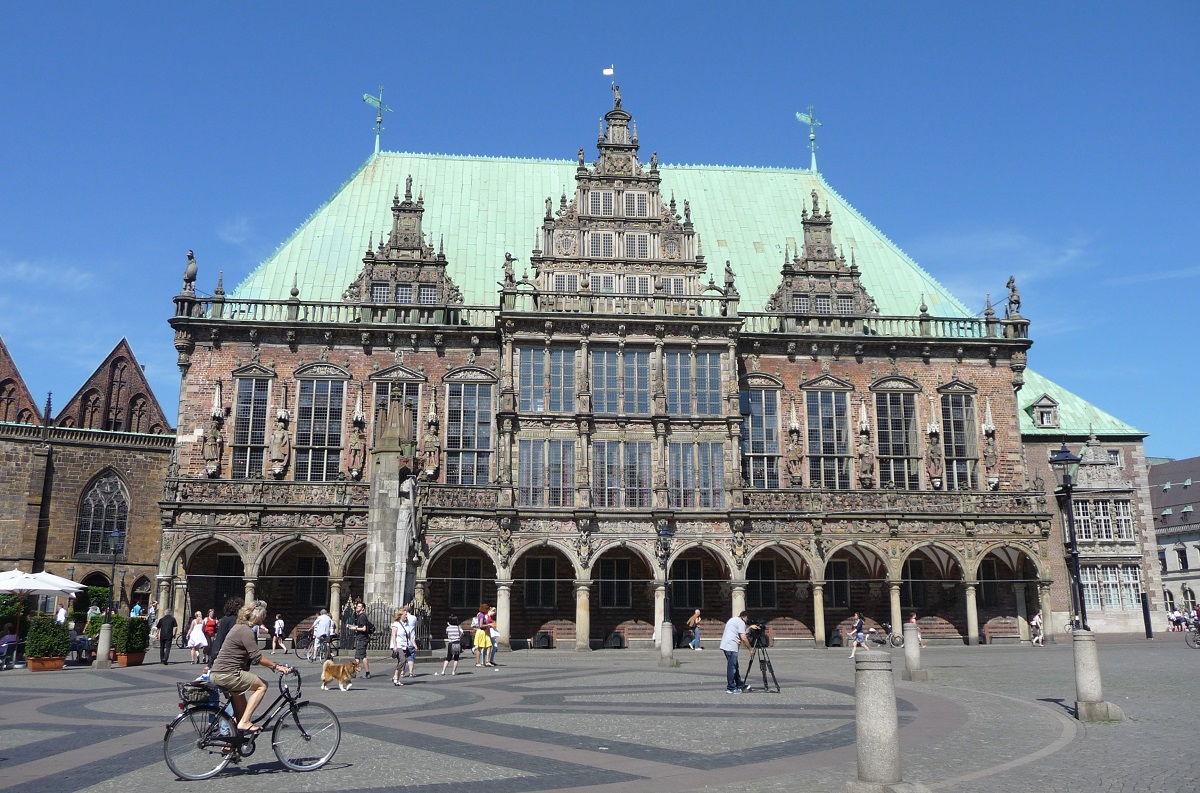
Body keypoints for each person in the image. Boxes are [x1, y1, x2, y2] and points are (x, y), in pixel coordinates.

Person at [210, 601, 292, 733]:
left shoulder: (239, 627)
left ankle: (230, 743)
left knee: (241, 713)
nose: (265, 618)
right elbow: (257, 657)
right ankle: (245, 722)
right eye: (263, 615)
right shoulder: (245, 630)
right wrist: (276, 667)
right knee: (262, 686)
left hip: (220, 672)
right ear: (257, 615)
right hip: (228, 674)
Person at [720, 610, 750, 693]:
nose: (747, 621)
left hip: (726, 645)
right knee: (732, 667)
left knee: (735, 666)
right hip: (731, 646)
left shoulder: (733, 620)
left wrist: (750, 628)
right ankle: (731, 687)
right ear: (745, 617)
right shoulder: (741, 622)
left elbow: (739, 633)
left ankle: (739, 684)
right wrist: (750, 649)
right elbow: (743, 637)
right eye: (747, 618)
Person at [210, 597, 244, 662]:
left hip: (226, 655)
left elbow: (219, 640)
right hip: (240, 656)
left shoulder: (225, 621)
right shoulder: (243, 621)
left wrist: (212, 660)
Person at [351, 601, 373, 679]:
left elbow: (364, 629)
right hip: (361, 638)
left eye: (359, 606)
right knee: (358, 656)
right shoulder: (360, 616)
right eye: (357, 606)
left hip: (363, 639)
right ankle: (353, 673)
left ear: (363, 608)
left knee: (362, 656)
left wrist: (355, 628)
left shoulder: (362, 616)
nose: (357, 607)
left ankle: (367, 673)